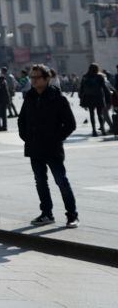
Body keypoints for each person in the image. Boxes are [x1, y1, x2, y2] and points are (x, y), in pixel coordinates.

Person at [19, 64, 78, 228]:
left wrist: (56, 138)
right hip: (34, 147)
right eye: (31, 77)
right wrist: (26, 137)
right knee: (40, 182)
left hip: (52, 148)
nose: (33, 80)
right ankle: (46, 214)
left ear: (47, 79)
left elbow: (70, 124)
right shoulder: (29, 97)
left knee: (61, 181)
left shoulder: (57, 98)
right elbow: (22, 119)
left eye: (37, 77)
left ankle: (72, 215)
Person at [78, 64, 113, 137]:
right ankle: (103, 130)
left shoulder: (85, 76)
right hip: (98, 97)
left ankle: (94, 130)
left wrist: (81, 97)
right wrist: (109, 96)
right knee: (99, 114)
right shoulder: (99, 76)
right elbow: (104, 87)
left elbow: (81, 87)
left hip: (89, 97)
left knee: (91, 114)